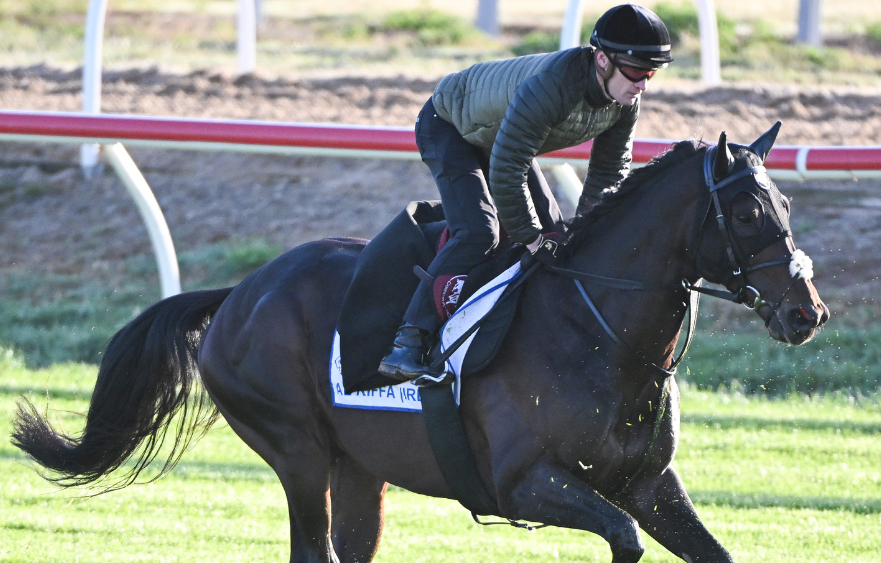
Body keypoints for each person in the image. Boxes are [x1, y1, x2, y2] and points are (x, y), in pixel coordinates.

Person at [378, 3, 673, 383]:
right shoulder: (554, 85)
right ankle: (407, 342)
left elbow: (608, 173)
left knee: (559, 236)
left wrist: (588, 231)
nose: (643, 83)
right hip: (447, 126)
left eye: (651, 73)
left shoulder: (624, 101)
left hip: (500, 139)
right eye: (636, 71)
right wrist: (529, 237)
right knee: (481, 231)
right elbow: (507, 167)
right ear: (602, 59)